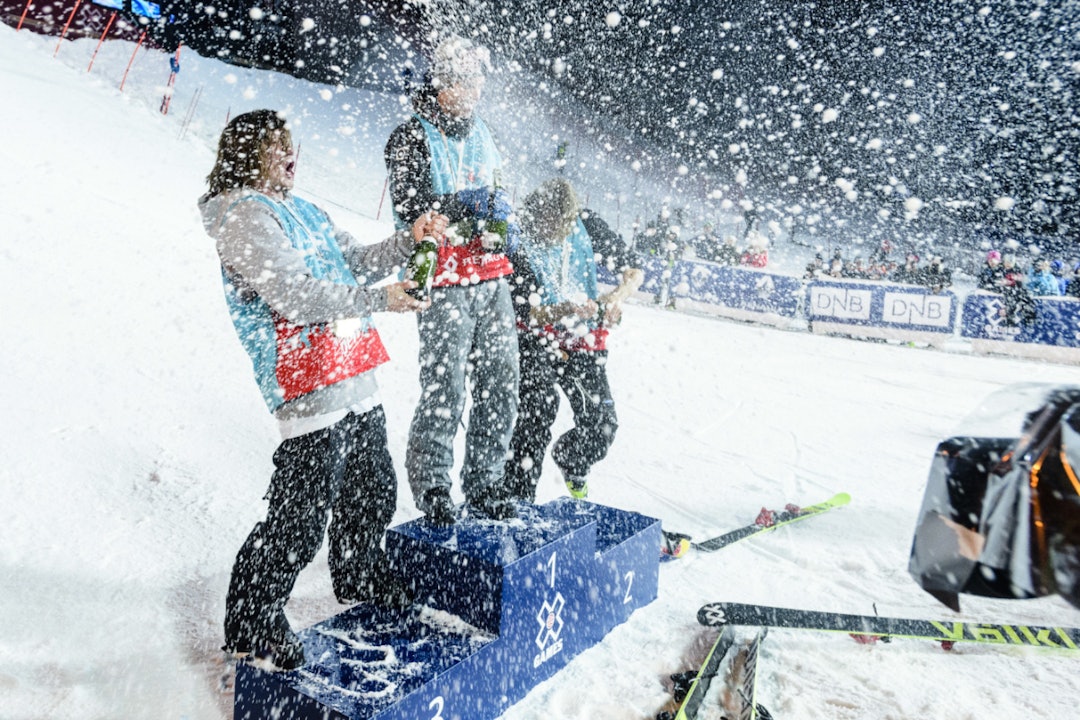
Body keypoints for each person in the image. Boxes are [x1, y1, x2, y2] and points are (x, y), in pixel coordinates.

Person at [199, 110, 440, 671]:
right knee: (301, 514)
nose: (290, 154)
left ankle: (359, 574)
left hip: (353, 370)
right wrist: (384, 301)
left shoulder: (303, 209)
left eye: (290, 144)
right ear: (247, 155)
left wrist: (410, 240)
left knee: (372, 488)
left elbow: (351, 262)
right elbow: (293, 296)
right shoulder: (243, 217)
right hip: (306, 381)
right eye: (276, 146)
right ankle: (253, 620)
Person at [383, 35, 521, 526]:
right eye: (468, 78)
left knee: (502, 383)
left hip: (491, 276)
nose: (477, 89)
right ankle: (435, 486)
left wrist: (505, 223)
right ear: (445, 82)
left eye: (480, 79)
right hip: (443, 279)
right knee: (445, 387)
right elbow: (410, 208)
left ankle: (486, 482)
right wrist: (467, 204)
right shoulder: (410, 136)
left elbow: (499, 192)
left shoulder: (485, 132)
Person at [504, 179, 644, 502]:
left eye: (563, 225)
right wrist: (568, 308)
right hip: (535, 337)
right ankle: (516, 497)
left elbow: (635, 271)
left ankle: (572, 458)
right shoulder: (519, 240)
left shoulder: (586, 224)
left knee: (602, 425)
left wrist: (616, 298)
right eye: (549, 225)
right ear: (537, 214)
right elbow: (530, 313)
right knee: (537, 410)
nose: (556, 233)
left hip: (581, 339)